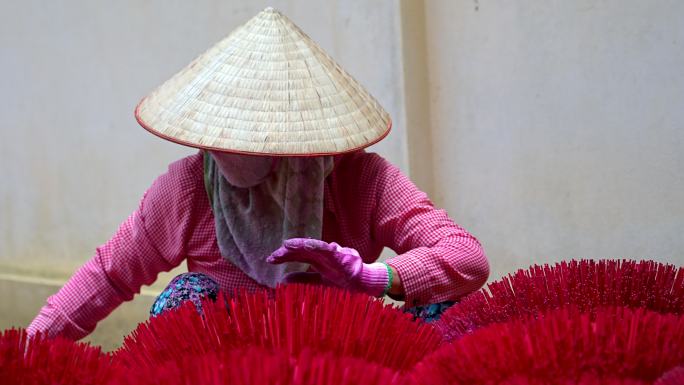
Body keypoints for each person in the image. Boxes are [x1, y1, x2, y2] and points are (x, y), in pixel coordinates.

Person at [28, 7, 489, 340]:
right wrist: (26, 355)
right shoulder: (189, 187)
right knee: (182, 298)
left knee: (448, 303)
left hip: (342, 351)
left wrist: (375, 277)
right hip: (231, 362)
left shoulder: (362, 180)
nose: (225, 148)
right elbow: (109, 274)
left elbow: (466, 256)